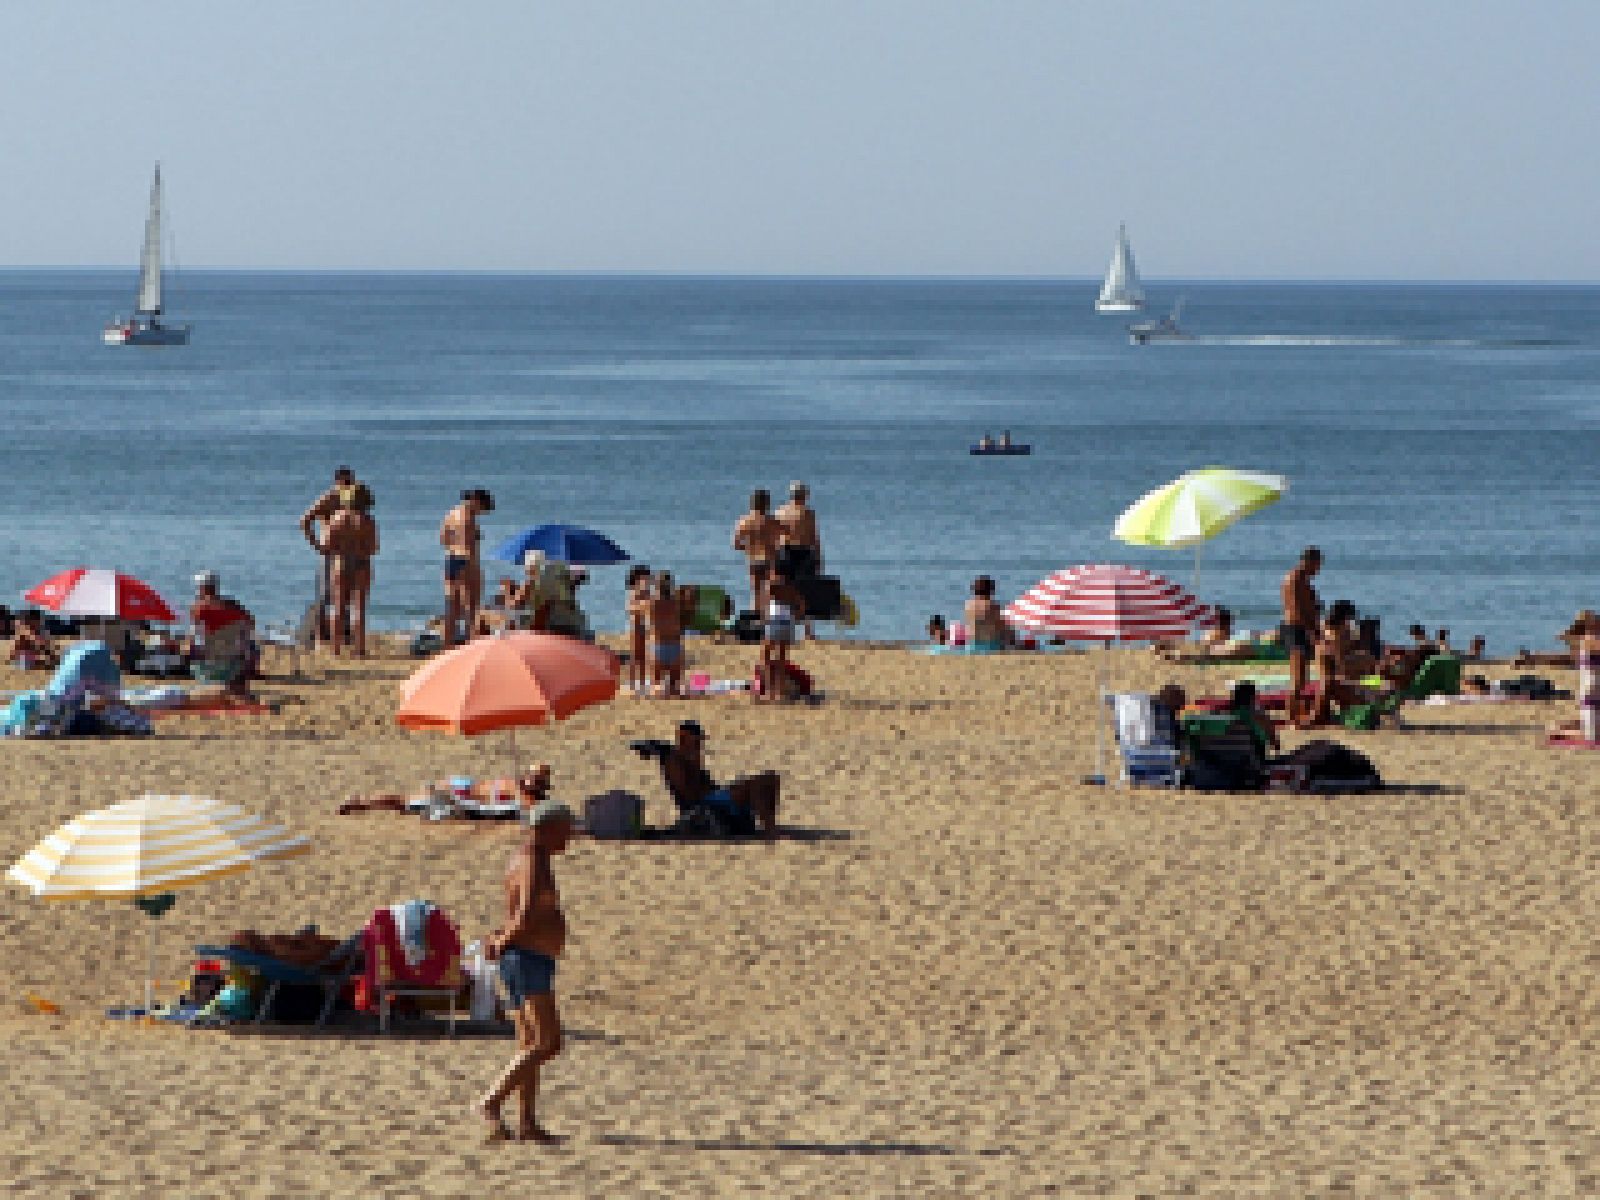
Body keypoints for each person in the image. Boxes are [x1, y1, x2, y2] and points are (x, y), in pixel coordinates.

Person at [479, 798, 576, 1145]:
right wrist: (504, 940)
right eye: (566, 830)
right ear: (548, 829)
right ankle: (491, 1102)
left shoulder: (527, 857)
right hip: (527, 958)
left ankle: (527, 1123)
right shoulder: (534, 859)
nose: (571, 837)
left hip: (526, 957)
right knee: (549, 1042)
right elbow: (525, 914)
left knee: (529, 1045)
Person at [632, 720, 779, 835]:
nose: (699, 745)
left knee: (771, 778)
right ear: (683, 738)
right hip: (704, 805)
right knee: (759, 784)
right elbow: (692, 796)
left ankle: (769, 824)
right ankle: (770, 832)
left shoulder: (688, 757)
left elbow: (709, 786)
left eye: (700, 741)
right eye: (696, 741)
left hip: (714, 798)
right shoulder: (673, 758)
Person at [318, 487, 378, 657]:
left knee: (338, 607)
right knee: (359, 608)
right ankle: (359, 648)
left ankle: (335, 649)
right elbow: (373, 548)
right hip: (361, 562)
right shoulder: (368, 521)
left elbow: (327, 545)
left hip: (341, 562)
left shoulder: (337, 519)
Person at [188, 572, 257, 702]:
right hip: (234, 665)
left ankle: (213, 685)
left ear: (201, 588)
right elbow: (250, 625)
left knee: (193, 651)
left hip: (207, 666)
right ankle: (237, 685)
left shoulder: (198, 609)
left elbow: (194, 637)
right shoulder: (234, 607)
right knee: (251, 647)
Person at [440, 488, 493, 647]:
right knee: (471, 608)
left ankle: (447, 646)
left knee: (452, 608)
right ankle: (469, 645)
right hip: (466, 561)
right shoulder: (468, 518)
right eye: (481, 509)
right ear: (476, 501)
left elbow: (443, 538)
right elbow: (468, 546)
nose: (480, 513)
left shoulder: (451, 513)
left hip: (451, 559)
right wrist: (475, 569)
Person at [1308, 599, 1370, 726]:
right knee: (1328, 680)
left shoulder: (1343, 632)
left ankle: (1320, 716)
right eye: (1349, 618)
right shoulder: (1330, 632)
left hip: (1342, 679)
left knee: (1329, 682)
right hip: (1332, 677)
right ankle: (1322, 714)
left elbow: (1343, 662)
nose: (1350, 621)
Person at [1280, 545, 1323, 727]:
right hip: (1297, 630)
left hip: (1302, 629)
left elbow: (1308, 607)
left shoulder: (1303, 581)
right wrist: (1311, 631)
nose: (1317, 570)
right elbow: (1296, 610)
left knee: (1303, 677)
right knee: (1298, 678)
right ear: (1308, 562)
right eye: (1316, 566)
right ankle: (1291, 718)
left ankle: (1297, 714)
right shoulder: (1295, 579)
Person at [756, 563, 806, 702]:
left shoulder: (772, 583)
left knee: (765, 656)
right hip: (787, 620)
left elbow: (765, 602)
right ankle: (780, 692)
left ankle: (769, 691)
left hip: (774, 619)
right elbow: (801, 605)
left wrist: (761, 619)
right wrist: (796, 616)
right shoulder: (790, 587)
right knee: (781, 659)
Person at [731, 489, 784, 612]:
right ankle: (768, 623)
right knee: (771, 593)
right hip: (770, 560)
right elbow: (786, 535)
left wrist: (749, 547)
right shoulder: (772, 521)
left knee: (756, 594)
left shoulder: (744, 521)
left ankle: (755, 622)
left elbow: (736, 544)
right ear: (766, 504)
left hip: (754, 560)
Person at [646, 572, 685, 697]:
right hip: (675, 647)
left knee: (655, 686)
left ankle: (663, 689)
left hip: (657, 647)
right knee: (674, 687)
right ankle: (671, 688)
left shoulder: (651, 603)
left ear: (656, 586)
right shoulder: (677, 603)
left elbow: (633, 611)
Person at [623, 564, 652, 693]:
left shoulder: (647, 592)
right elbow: (629, 609)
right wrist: (642, 605)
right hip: (635, 628)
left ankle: (641, 682)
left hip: (645, 627)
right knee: (635, 656)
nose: (648, 581)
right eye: (646, 578)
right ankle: (632, 682)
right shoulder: (634, 592)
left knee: (644, 656)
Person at [963, 576, 1012, 652]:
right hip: (990, 646)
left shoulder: (968, 605)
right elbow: (1001, 628)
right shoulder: (993, 606)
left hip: (972, 645)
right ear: (991, 590)